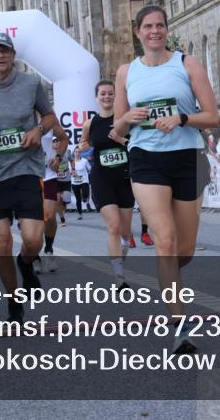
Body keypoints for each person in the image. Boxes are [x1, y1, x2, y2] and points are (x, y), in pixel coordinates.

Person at [113, 5, 218, 354]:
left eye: (160, 26)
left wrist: (182, 119)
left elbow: (213, 117)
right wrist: (126, 116)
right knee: (166, 240)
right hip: (146, 161)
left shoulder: (187, 64)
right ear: (138, 32)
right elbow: (116, 129)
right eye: (148, 26)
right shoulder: (126, 71)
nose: (154, 31)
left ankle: (168, 272)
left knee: (183, 250)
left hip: (187, 157)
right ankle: (180, 327)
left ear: (166, 30)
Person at [0, 31, 66, 322]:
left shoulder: (31, 84)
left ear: (13, 55)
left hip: (26, 170)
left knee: (33, 239)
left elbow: (50, 116)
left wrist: (38, 131)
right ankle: (13, 298)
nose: (0, 56)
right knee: (2, 241)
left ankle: (26, 263)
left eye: (5, 51)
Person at [81, 79, 136, 290]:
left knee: (125, 231)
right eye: (102, 94)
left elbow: (136, 147)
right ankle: (119, 276)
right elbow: (85, 148)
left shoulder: (124, 120)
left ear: (115, 96)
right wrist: (83, 147)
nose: (106, 97)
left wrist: (121, 140)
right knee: (112, 225)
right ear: (96, 97)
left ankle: (123, 246)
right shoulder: (90, 124)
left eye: (110, 93)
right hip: (101, 177)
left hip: (124, 177)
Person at [70, 149, 93, 218]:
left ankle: (85, 198)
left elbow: (89, 168)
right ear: (74, 153)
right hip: (75, 181)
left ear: (81, 153)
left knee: (85, 194)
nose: (77, 153)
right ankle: (80, 214)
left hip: (84, 180)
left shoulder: (84, 161)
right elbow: (69, 171)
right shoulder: (71, 162)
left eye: (79, 152)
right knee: (78, 199)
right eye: (76, 152)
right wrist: (71, 172)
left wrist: (89, 173)